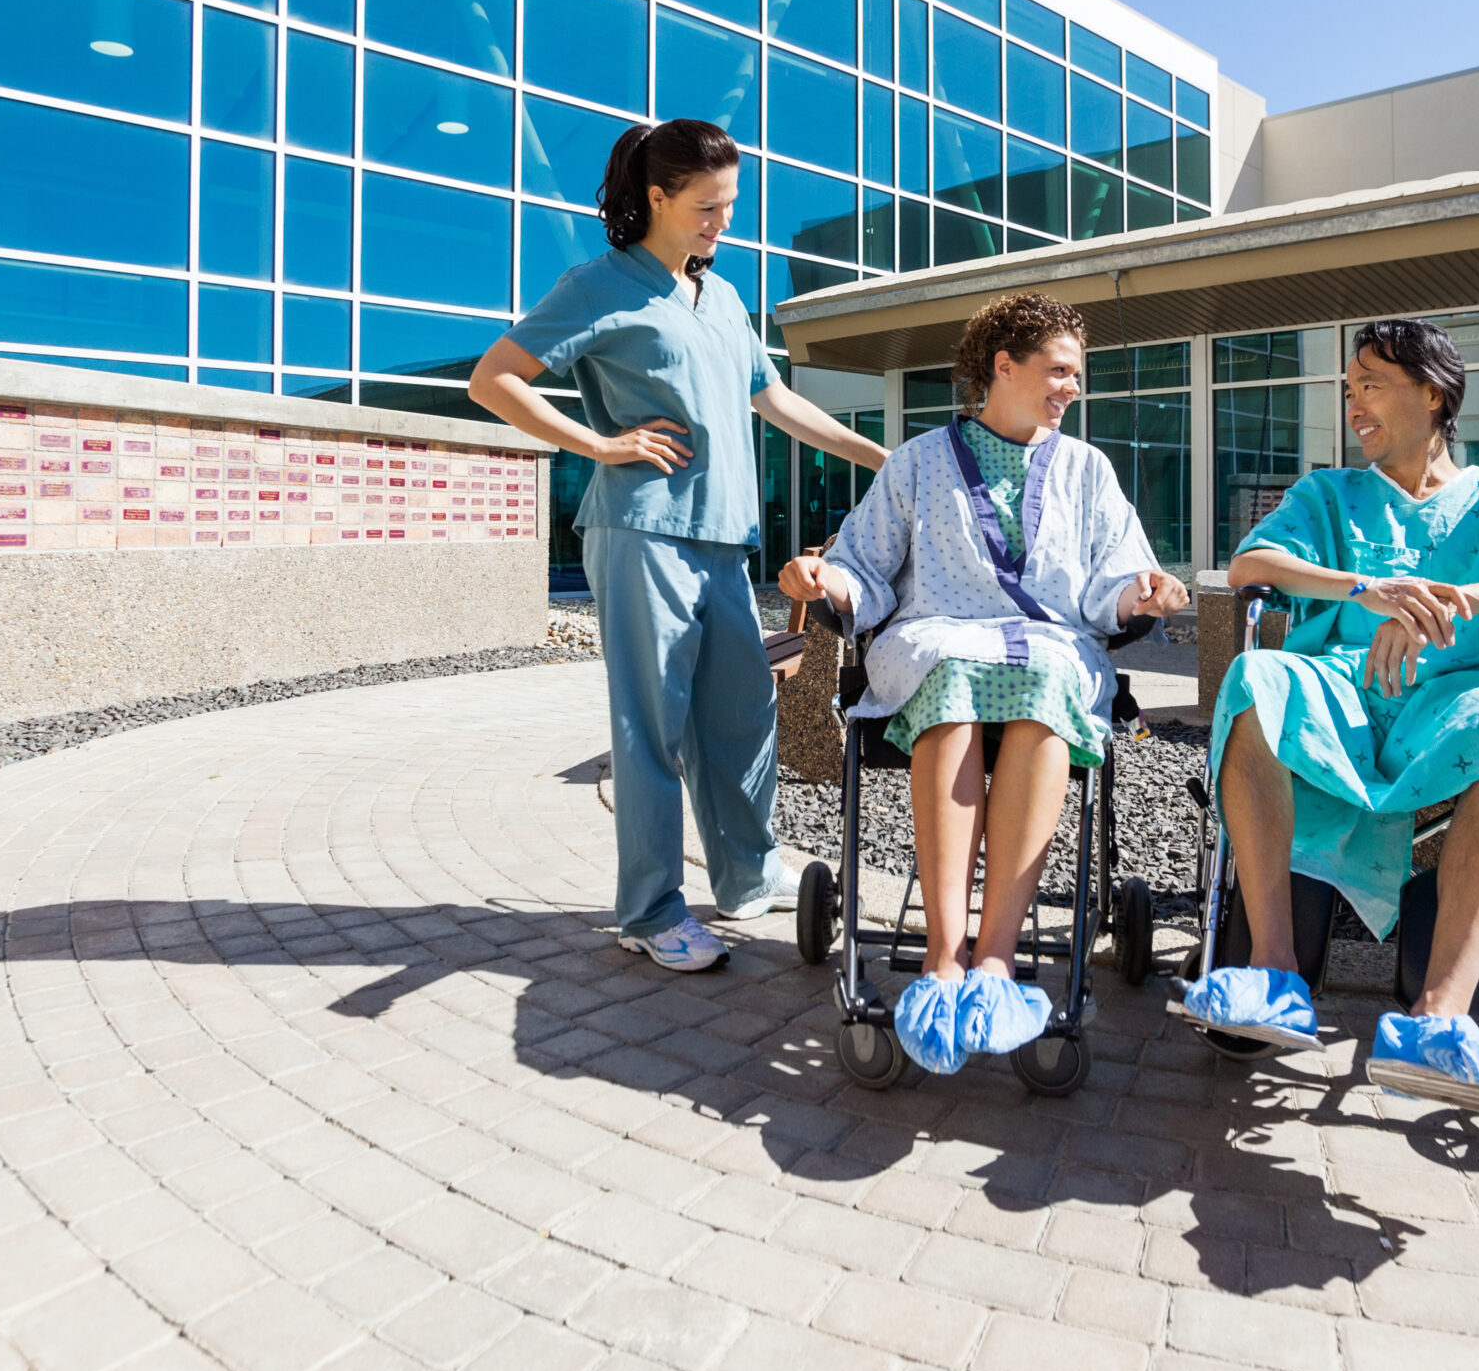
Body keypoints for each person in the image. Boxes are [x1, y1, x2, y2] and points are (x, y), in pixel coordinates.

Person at [469, 120, 888, 975]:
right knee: (649, 728)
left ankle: (744, 876)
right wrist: (600, 445)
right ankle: (651, 910)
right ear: (655, 198)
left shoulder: (724, 297)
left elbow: (774, 402)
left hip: (721, 541)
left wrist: (886, 457)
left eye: (730, 205)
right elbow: (493, 380)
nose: (721, 222)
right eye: (706, 206)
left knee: (742, 715)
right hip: (643, 531)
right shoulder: (599, 286)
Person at [1192, 318, 1479, 1107]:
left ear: (1435, 393)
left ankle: (1440, 1020)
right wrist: (1368, 589)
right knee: (1258, 676)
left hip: (1453, 703)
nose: (1353, 401)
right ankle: (1275, 974)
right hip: (1339, 692)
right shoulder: (1329, 494)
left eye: (1372, 384)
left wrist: (1461, 597)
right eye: (1349, 387)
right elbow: (1251, 564)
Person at [778, 293, 1185, 1074]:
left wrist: (1144, 594)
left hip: (1049, 650)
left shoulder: (1087, 470)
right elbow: (864, 566)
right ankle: (942, 956)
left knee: (1042, 677)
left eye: (1077, 375)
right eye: (1058, 371)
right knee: (955, 674)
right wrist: (825, 577)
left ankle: (995, 963)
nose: (1071, 388)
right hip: (936, 642)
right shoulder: (918, 462)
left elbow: (1117, 578)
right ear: (1004, 366)